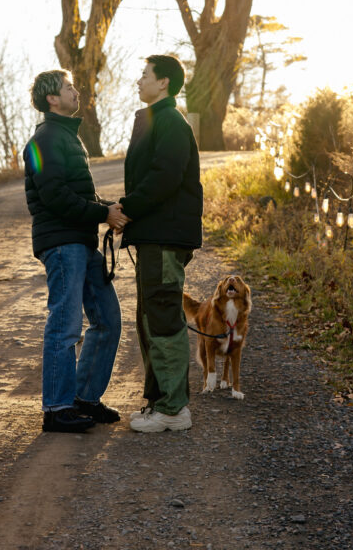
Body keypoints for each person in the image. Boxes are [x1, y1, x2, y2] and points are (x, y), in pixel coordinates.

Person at [23, 69, 129, 434]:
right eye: (68, 87)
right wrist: (102, 214)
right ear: (52, 99)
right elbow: (54, 196)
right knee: (65, 325)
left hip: (81, 242)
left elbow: (79, 194)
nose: (75, 90)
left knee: (108, 319)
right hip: (62, 244)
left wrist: (110, 209)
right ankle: (56, 408)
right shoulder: (44, 139)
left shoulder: (66, 136)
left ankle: (84, 398)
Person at [116, 54, 203, 433]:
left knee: (163, 315)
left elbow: (164, 176)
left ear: (164, 81)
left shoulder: (171, 122)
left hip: (165, 237)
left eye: (145, 74)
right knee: (151, 317)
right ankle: (158, 402)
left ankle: (173, 409)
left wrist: (126, 209)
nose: (139, 80)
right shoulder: (157, 119)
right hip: (154, 236)